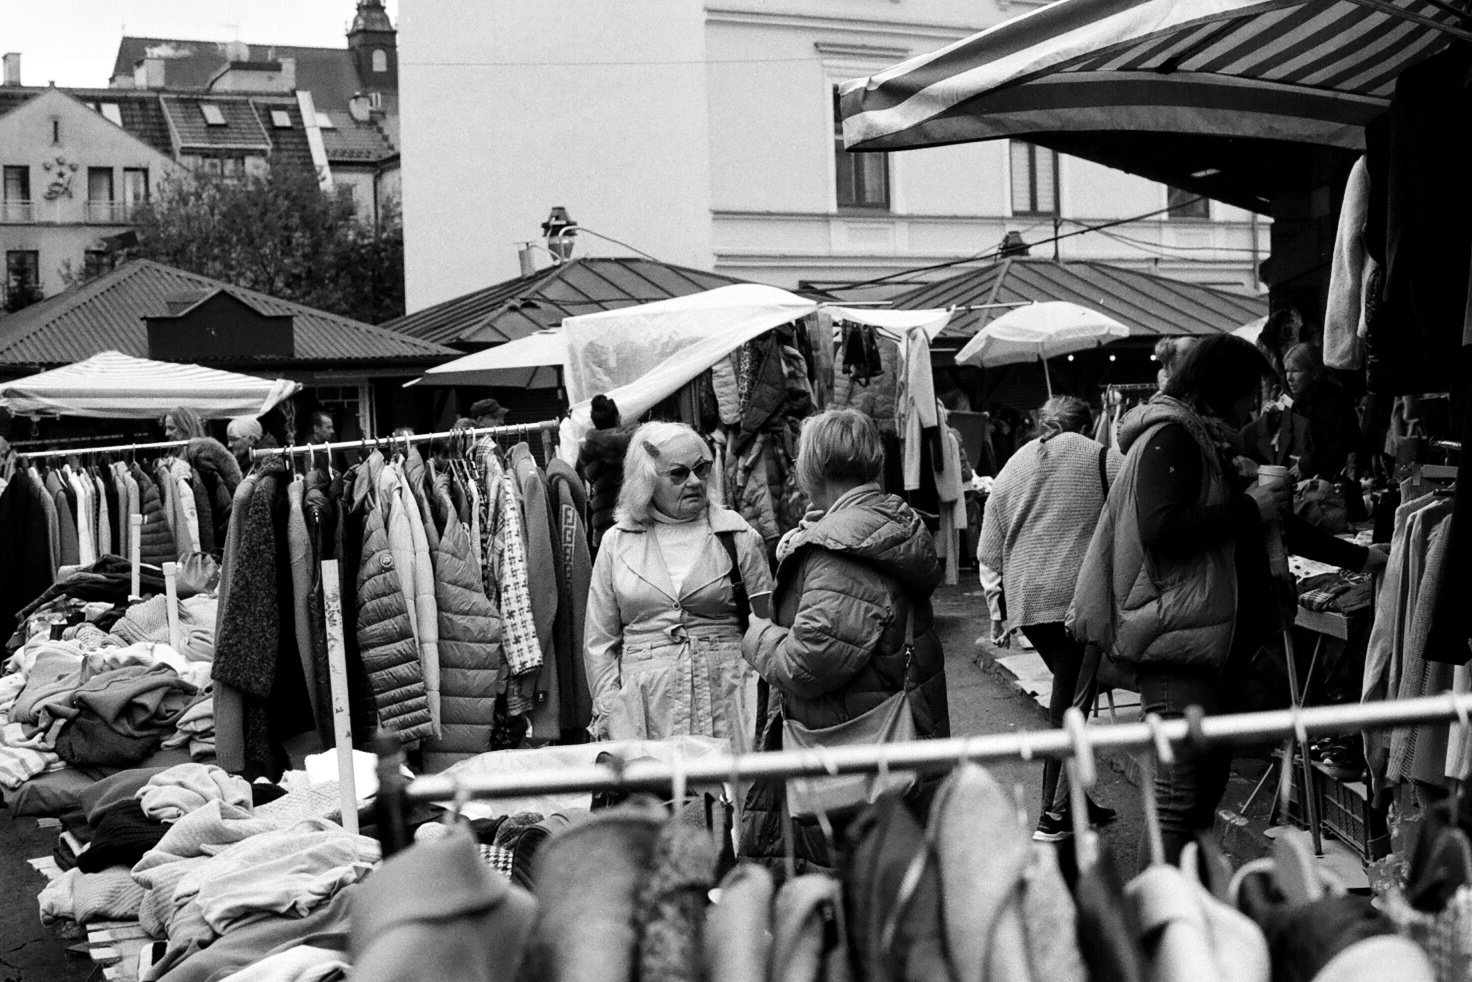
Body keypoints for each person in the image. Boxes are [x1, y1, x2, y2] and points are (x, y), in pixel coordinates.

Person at [1069, 335, 1387, 868]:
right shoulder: (1172, 439)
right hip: (1178, 645)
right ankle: (1159, 928)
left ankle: (1187, 914)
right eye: (1252, 392)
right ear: (1222, 389)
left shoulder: (1211, 445)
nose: (1257, 406)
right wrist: (1249, 507)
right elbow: (1162, 528)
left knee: (1199, 795)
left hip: (1208, 644)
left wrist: (1360, 558)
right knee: (1177, 800)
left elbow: (1273, 527)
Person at [744, 407, 951, 767]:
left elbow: (807, 663)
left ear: (813, 467)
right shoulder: (888, 522)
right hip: (901, 732)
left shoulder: (838, 552)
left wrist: (756, 635)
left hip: (851, 750)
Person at [979, 396, 1122, 841]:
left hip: (1027, 600)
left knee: (1073, 691)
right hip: (1076, 601)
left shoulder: (1015, 464)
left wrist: (996, 612)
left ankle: (1076, 803)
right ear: (1088, 426)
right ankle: (1053, 815)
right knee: (1071, 704)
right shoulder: (1104, 459)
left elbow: (988, 544)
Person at [584, 421, 772, 751]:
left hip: (730, 705)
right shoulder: (616, 543)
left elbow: (766, 626)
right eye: (678, 474)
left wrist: (762, 706)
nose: (695, 482)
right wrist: (612, 711)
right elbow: (599, 642)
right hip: (643, 713)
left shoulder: (738, 535)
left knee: (731, 800)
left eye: (702, 469)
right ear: (647, 480)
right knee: (654, 802)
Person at [1281, 343, 1360, 480]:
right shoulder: (1306, 402)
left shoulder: (1330, 402)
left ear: (1313, 372)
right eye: (1287, 371)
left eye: (1295, 371)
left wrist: (1304, 466)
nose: (1289, 378)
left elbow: (1330, 447)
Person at [576, 394, 633, 553]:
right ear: (618, 418)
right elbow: (658, 456)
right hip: (635, 517)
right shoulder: (637, 441)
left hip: (605, 523)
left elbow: (589, 478)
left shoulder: (589, 450)